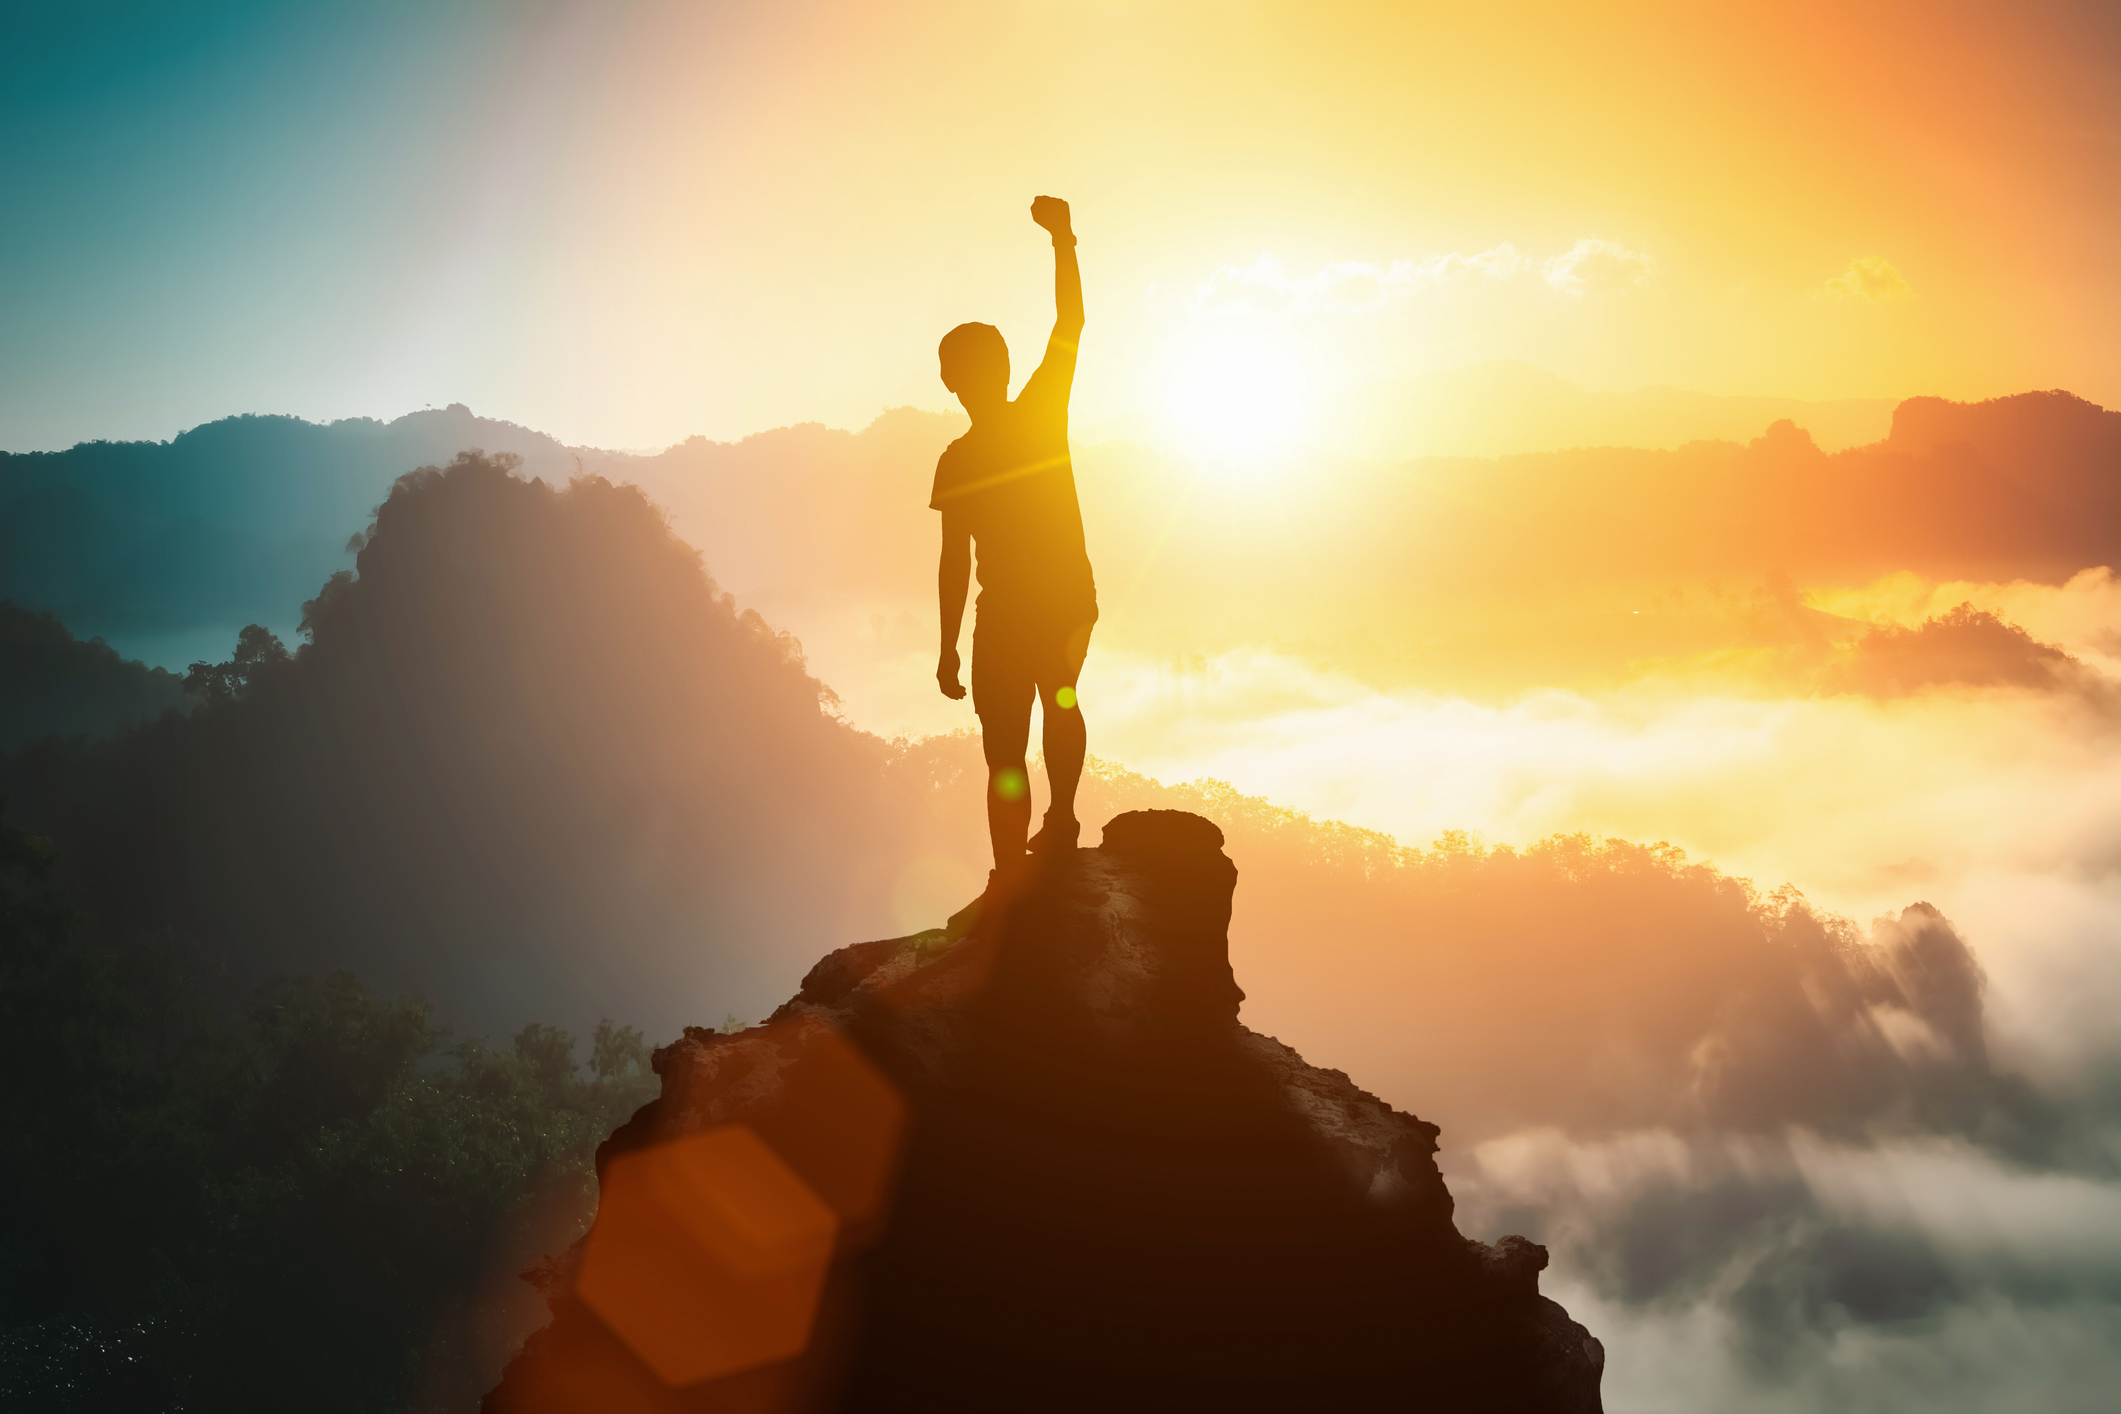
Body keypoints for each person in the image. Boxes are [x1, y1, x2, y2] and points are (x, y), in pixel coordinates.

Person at [933, 195, 1097, 872]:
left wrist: (948, 649)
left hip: (1025, 609)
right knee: (1051, 712)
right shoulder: (1034, 416)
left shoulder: (966, 454)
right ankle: (1049, 830)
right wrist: (1061, 240)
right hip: (1050, 603)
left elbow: (952, 563)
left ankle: (1019, 862)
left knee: (1009, 742)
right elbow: (1070, 323)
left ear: (949, 381)